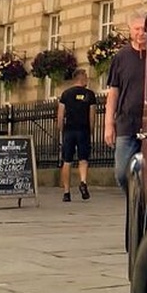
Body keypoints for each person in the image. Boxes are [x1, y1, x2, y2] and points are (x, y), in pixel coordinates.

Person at [104, 9, 147, 194]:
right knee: (122, 173)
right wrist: (108, 124)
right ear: (130, 30)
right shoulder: (121, 57)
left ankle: (145, 204)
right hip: (126, 123)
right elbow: (113, 93)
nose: (141, 33)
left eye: (144, 28)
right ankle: (133, 200)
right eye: (137, 29)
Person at [57, 68, 97, 202]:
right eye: (86, 77)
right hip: (83, 130)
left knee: (67, 161)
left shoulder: (66, 94)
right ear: (81, 78)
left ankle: (66, 192)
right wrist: (91, 130)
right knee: (83, 159)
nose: (87, 80)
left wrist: (61, 130)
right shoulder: (89, 95)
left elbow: (60, 115)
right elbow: (92, 115)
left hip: (69, 130)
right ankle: (83, 182)